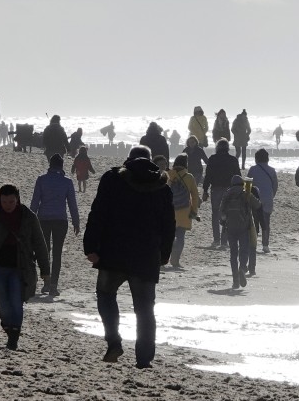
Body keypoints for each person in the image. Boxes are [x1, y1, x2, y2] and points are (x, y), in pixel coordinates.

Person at [83, 146, 175, 369]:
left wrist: (90, 246)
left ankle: (114, 341)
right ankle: (144, 359)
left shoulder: (113, 179)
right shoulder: (162, 186)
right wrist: (164, 254)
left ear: (128, 160)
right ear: (151, 161)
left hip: (113, 252)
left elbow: (98, 212)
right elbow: (168, 224)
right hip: (146, 256)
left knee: (105, 295)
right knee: (144, 309)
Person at [0, 184, 51, 351]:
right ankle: (9, 328)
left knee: (16, 301)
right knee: (3, 304)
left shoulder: (28, 217)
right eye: (4, 201)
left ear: (18, 200)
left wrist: (45, 270)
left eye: (11, 202)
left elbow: (40, 244)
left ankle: (13, 338)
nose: (8, 205)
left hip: (20, 268)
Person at [30, 154, 80, 297]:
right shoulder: (67, 182)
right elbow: (72, 204)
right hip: (60, 220)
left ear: (50, 165)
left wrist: (29, 219)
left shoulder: (41, 180)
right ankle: (53, 286)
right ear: (62, 166)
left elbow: (35, 202)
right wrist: (76, 222)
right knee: (57, 253)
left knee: (44, 251)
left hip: (43, 219)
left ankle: (46, 280)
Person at [201, 139, 240, 248]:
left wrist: (205, 190)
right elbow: (238, 176)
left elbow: (208, 176)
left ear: (217, 148)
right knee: (227, 214)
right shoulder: (233, 160)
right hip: (229, 189)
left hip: (216, 189)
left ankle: (216, 240)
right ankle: (224, 241)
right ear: (227, 148)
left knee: (215, 214)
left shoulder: (212, 159)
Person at [221, 177, 260, 286]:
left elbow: (222, 212)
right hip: (243, 226)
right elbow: (257, 205)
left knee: (233, 253)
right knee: (244, 250)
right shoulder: (245, 193)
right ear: (242, 184)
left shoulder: (227, 194)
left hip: (230, 227)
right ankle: (242, 268)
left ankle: (235, 281)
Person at [166, 154, 200, 268]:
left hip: (169, 210)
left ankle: (164, 259)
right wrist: (194, 211)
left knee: (168, 236)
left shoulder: (168, 175)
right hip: (184, 211)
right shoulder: (189, 177)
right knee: (180, 236)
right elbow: (195, 196)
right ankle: (175, 260)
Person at [248, 149, 277, 253]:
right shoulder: (272, 170)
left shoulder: (252, 169)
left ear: (256, 159)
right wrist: (270, 196)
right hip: (268, 198)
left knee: (254, 222)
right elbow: (275, 186)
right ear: (267, 159)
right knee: (266, 222)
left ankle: (253, 243)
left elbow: (248, 185)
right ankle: (265, 245)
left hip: (255, 199)